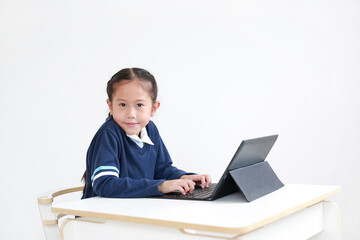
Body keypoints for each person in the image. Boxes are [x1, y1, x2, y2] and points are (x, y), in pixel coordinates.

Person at [82, 68, 211, 199]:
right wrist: (160, 186)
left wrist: (183, 177)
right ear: (110, 106)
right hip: (100, 215)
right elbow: (105, 184)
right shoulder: (109, 134)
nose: (130, 114)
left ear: (153, 108)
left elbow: (161, 169)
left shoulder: (150, 129)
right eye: (122, 104)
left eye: (139, 105)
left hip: (135, 209)